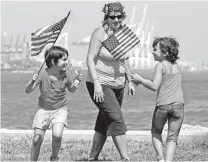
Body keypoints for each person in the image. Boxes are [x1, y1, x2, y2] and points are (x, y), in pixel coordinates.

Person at [85, 2, 136, 161]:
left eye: (119, 16)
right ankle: (125, 158)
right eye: (112, 17)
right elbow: (90, 59)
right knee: (116, 119)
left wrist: (130, 80)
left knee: (104, 120)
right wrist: (97, 84)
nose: (116, 19)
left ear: (123, 17)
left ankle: (92, 158)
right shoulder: (101, 33)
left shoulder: (119, 33)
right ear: (106, 17)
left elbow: (124, 58)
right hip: (100, 84)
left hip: (118, 86)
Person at [131, 36, 184, 161]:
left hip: (163, 106)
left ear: (164, 52)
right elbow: (165, 82)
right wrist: (145, 82)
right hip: (178, 105)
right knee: (172, 137)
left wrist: (141, 80)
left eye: (155, 49)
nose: (152, 52)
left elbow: (155, 86)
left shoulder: (160, 65)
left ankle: (160, 158)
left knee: (156, 132)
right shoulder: (176, 66)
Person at [25, 46, 82, 161]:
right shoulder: (42, 74)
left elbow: (72, 89)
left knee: (57, 135)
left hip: (60, 109)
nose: (67, 62)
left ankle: (54, 157)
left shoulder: (67, 73)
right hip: (43, 109)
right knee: (37, 139)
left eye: (67, 59)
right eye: (64, 59)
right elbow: (28, 90)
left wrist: (76, 80)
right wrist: (32, 81)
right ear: (53, 61)